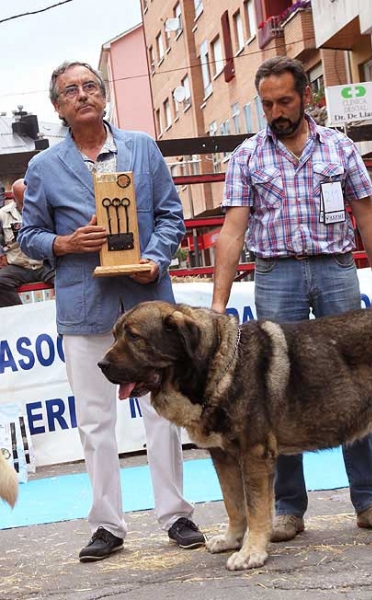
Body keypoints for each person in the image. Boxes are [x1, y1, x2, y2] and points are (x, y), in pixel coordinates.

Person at [19, 61, 205, 562]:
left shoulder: (143, 147)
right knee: (94, 420)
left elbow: (171, 214)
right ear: (58, 107)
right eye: (71, 91)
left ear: (104, 96)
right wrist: (64, 242)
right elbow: (28, 236)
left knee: (163, 411)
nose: (83, 95)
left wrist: (157, 258)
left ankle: (176, 514)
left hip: (149, 307)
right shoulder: (43, 168)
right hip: (86, 308)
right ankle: (107, 526)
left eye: (91, 87)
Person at [211, 56, 372, 543]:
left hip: (336, 269)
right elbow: (232, 233)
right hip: (276, 275)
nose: (276, 110)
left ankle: (369, 500)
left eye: (285, 101)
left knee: (356, 382)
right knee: (275, 393)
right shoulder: (246, 156)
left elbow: (369, 216)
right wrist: (218, 305)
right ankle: (288, 508)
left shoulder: (340, 147)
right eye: (267, 103)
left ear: (307, 97)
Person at [0, 179, 54, 307]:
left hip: (46, 264)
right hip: (18, 266)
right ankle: (19, 314)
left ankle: (59, 314)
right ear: (13, 198)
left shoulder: (47, 209)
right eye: (23, 202)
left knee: (70, 276)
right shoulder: (3, 214)